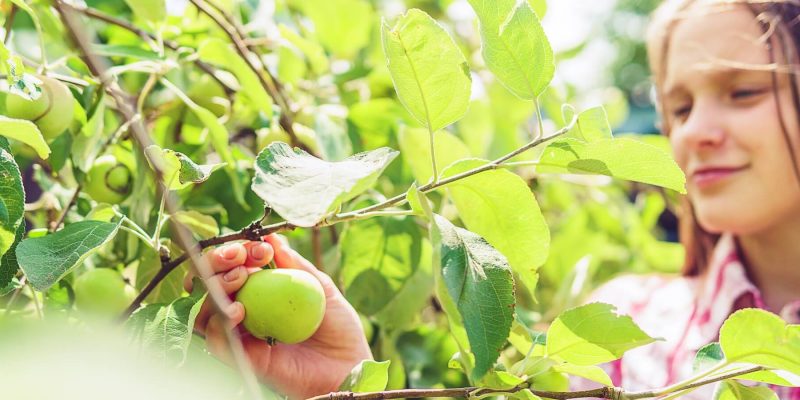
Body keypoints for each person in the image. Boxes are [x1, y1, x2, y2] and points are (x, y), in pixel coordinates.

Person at [190, 0, 800, 398]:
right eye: (681, 107)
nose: (694, 133)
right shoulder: (627, 324)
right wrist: (346, 382)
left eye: (743, 91)